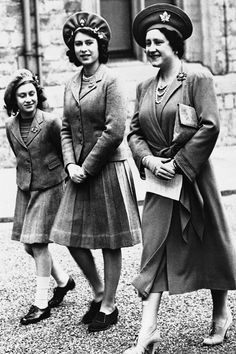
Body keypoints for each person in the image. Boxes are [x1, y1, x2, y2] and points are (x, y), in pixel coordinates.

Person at [124, 3, 236, 353]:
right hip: (160, 181)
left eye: (157, 41)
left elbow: (210, 125)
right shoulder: (144, 85)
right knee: (153, 250)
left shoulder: (197, 78)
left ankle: (221, 313)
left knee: (210, 244)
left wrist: (180, 163)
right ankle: (147, 333)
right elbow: (134, 131)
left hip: (193, 176)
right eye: (146, 42)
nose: (151, 48)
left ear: (174, 43)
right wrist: (148, 160)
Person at [50, 11, 141, 332]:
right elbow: (64, 127)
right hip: (78, 172)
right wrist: (70, 164)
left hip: (107, 170)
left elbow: (116, 130)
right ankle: (99, 292)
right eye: (78, 44)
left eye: (89, 42)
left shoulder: (112, 80)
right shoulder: (71, 82)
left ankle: (110, 304)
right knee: (68, 236)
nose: (84, 48)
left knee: (108, 241)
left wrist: (86, 167)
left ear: (100, 45)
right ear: (71, 49)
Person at [4, 69, 75, 325]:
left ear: (38, 95)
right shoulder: (10, 125)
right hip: (26, 189)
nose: (28, 99)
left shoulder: (51, 122)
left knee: (38, 244)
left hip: (50, 186)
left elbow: (65, 151)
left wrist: (68, 180)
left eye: (32, 93)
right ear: (14, 99)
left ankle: (41, 302)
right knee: (27, 246)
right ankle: (64, 282)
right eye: (22, 95)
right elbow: (20, 155)